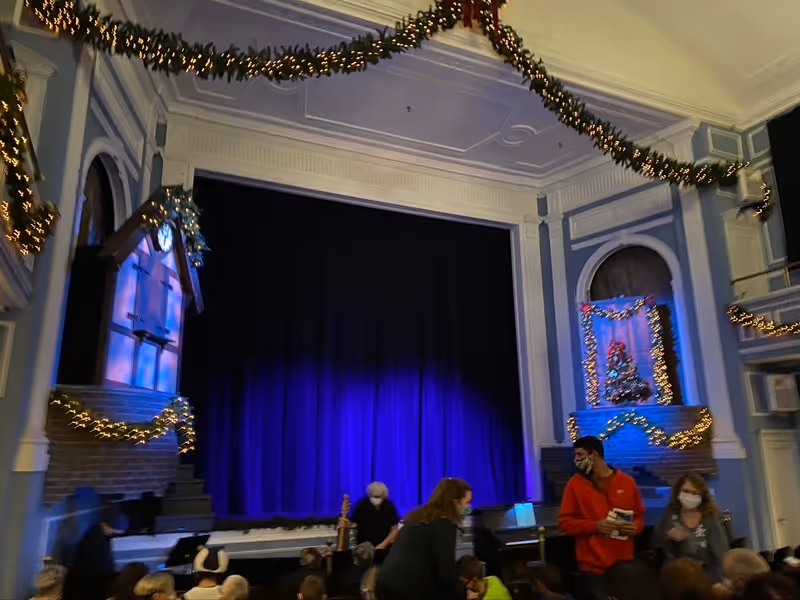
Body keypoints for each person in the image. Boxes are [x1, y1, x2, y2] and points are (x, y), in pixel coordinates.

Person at [558, 436, 645, 600]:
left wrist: (636, 527)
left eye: (579, 454)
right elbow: (565, 523)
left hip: (624, 564)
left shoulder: (627, 482)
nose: (576, 460)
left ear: (594, 455)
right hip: (593, 568)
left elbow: (639, 516)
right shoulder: (574, 485)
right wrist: (595, 526)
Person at [376, 477, 472, 600]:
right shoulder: (444, 524)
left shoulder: (420, 516)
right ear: (454, 502)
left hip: (387, 586)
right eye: (467, 502)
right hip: (410, 591)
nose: (469, 508)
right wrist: (464, 594)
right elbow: (445, 576)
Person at [653, 474, 729, 583]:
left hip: (706, 577)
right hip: (676, 575)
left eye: (694, 493)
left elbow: (721, 553)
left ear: (701, 496)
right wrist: (668, 536)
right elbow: (655, 541)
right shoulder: (671, 513)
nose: (689, 496)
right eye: (686, 491)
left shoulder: (709, 517)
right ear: (679, 492)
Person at [350, 482, 401, 550]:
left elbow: (395, 529)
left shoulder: (389, 507)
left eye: (379, 497)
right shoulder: (362, 505)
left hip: (383, 547)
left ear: (384, 496)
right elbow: (353, 523)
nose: (376, 499)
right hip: (363, 547)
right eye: (374, 496)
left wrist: (382, 545)